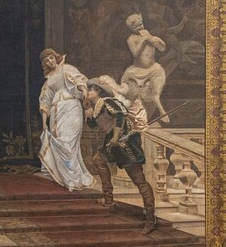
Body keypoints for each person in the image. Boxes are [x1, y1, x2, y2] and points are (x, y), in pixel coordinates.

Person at [85, 78, 156, 235]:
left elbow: (121, 115)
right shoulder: (96, 107)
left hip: (125, 141)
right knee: (98, 160)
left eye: (90, 89)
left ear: (98, 91)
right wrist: (88, 113)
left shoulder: (108, 101)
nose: (87, 92)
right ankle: (109, 200)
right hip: (111, 140)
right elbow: (93, 125)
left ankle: (150, 219)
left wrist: (116, 137)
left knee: (138, 179)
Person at [38, 48, 94, 191]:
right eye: (46, 60)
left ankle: (73, 180)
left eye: (51, 58)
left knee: (68, 143)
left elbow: (79, 80)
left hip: (71, 108)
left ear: (55, 57)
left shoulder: (66, 68)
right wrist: (44, 122)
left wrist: (83, 89)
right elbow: (45, 101)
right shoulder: (49, 79)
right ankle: (65, 178)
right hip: (56, 113)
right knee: (59, 139)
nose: (49, 62)